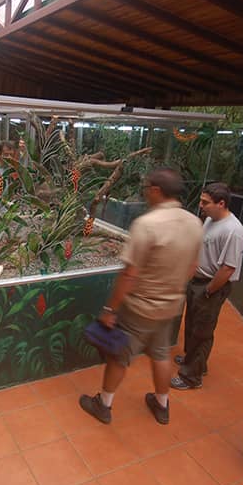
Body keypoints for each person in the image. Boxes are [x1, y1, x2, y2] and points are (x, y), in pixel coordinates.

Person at [78, 168, 203, 425]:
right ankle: (161, 404)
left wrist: (110, 309)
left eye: (146, 188)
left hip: (139, 309)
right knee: (160, 354)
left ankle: (103, 404)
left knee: (119, 356)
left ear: (156, 190)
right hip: (171, 306)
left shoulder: (147, 224)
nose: (145, 192)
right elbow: (193, 267)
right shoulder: (194, 223)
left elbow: (130, 275)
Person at [171, 182, 243, 390]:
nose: (201, 205)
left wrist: (210, 290)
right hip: (198, 281)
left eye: (206, 202)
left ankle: (191, 377)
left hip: (211, 286)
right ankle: (193, 361)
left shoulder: (233, 230)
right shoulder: (211, 220)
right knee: (194, 325)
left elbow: (228, 268)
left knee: (202, 331)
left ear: (221, 203)